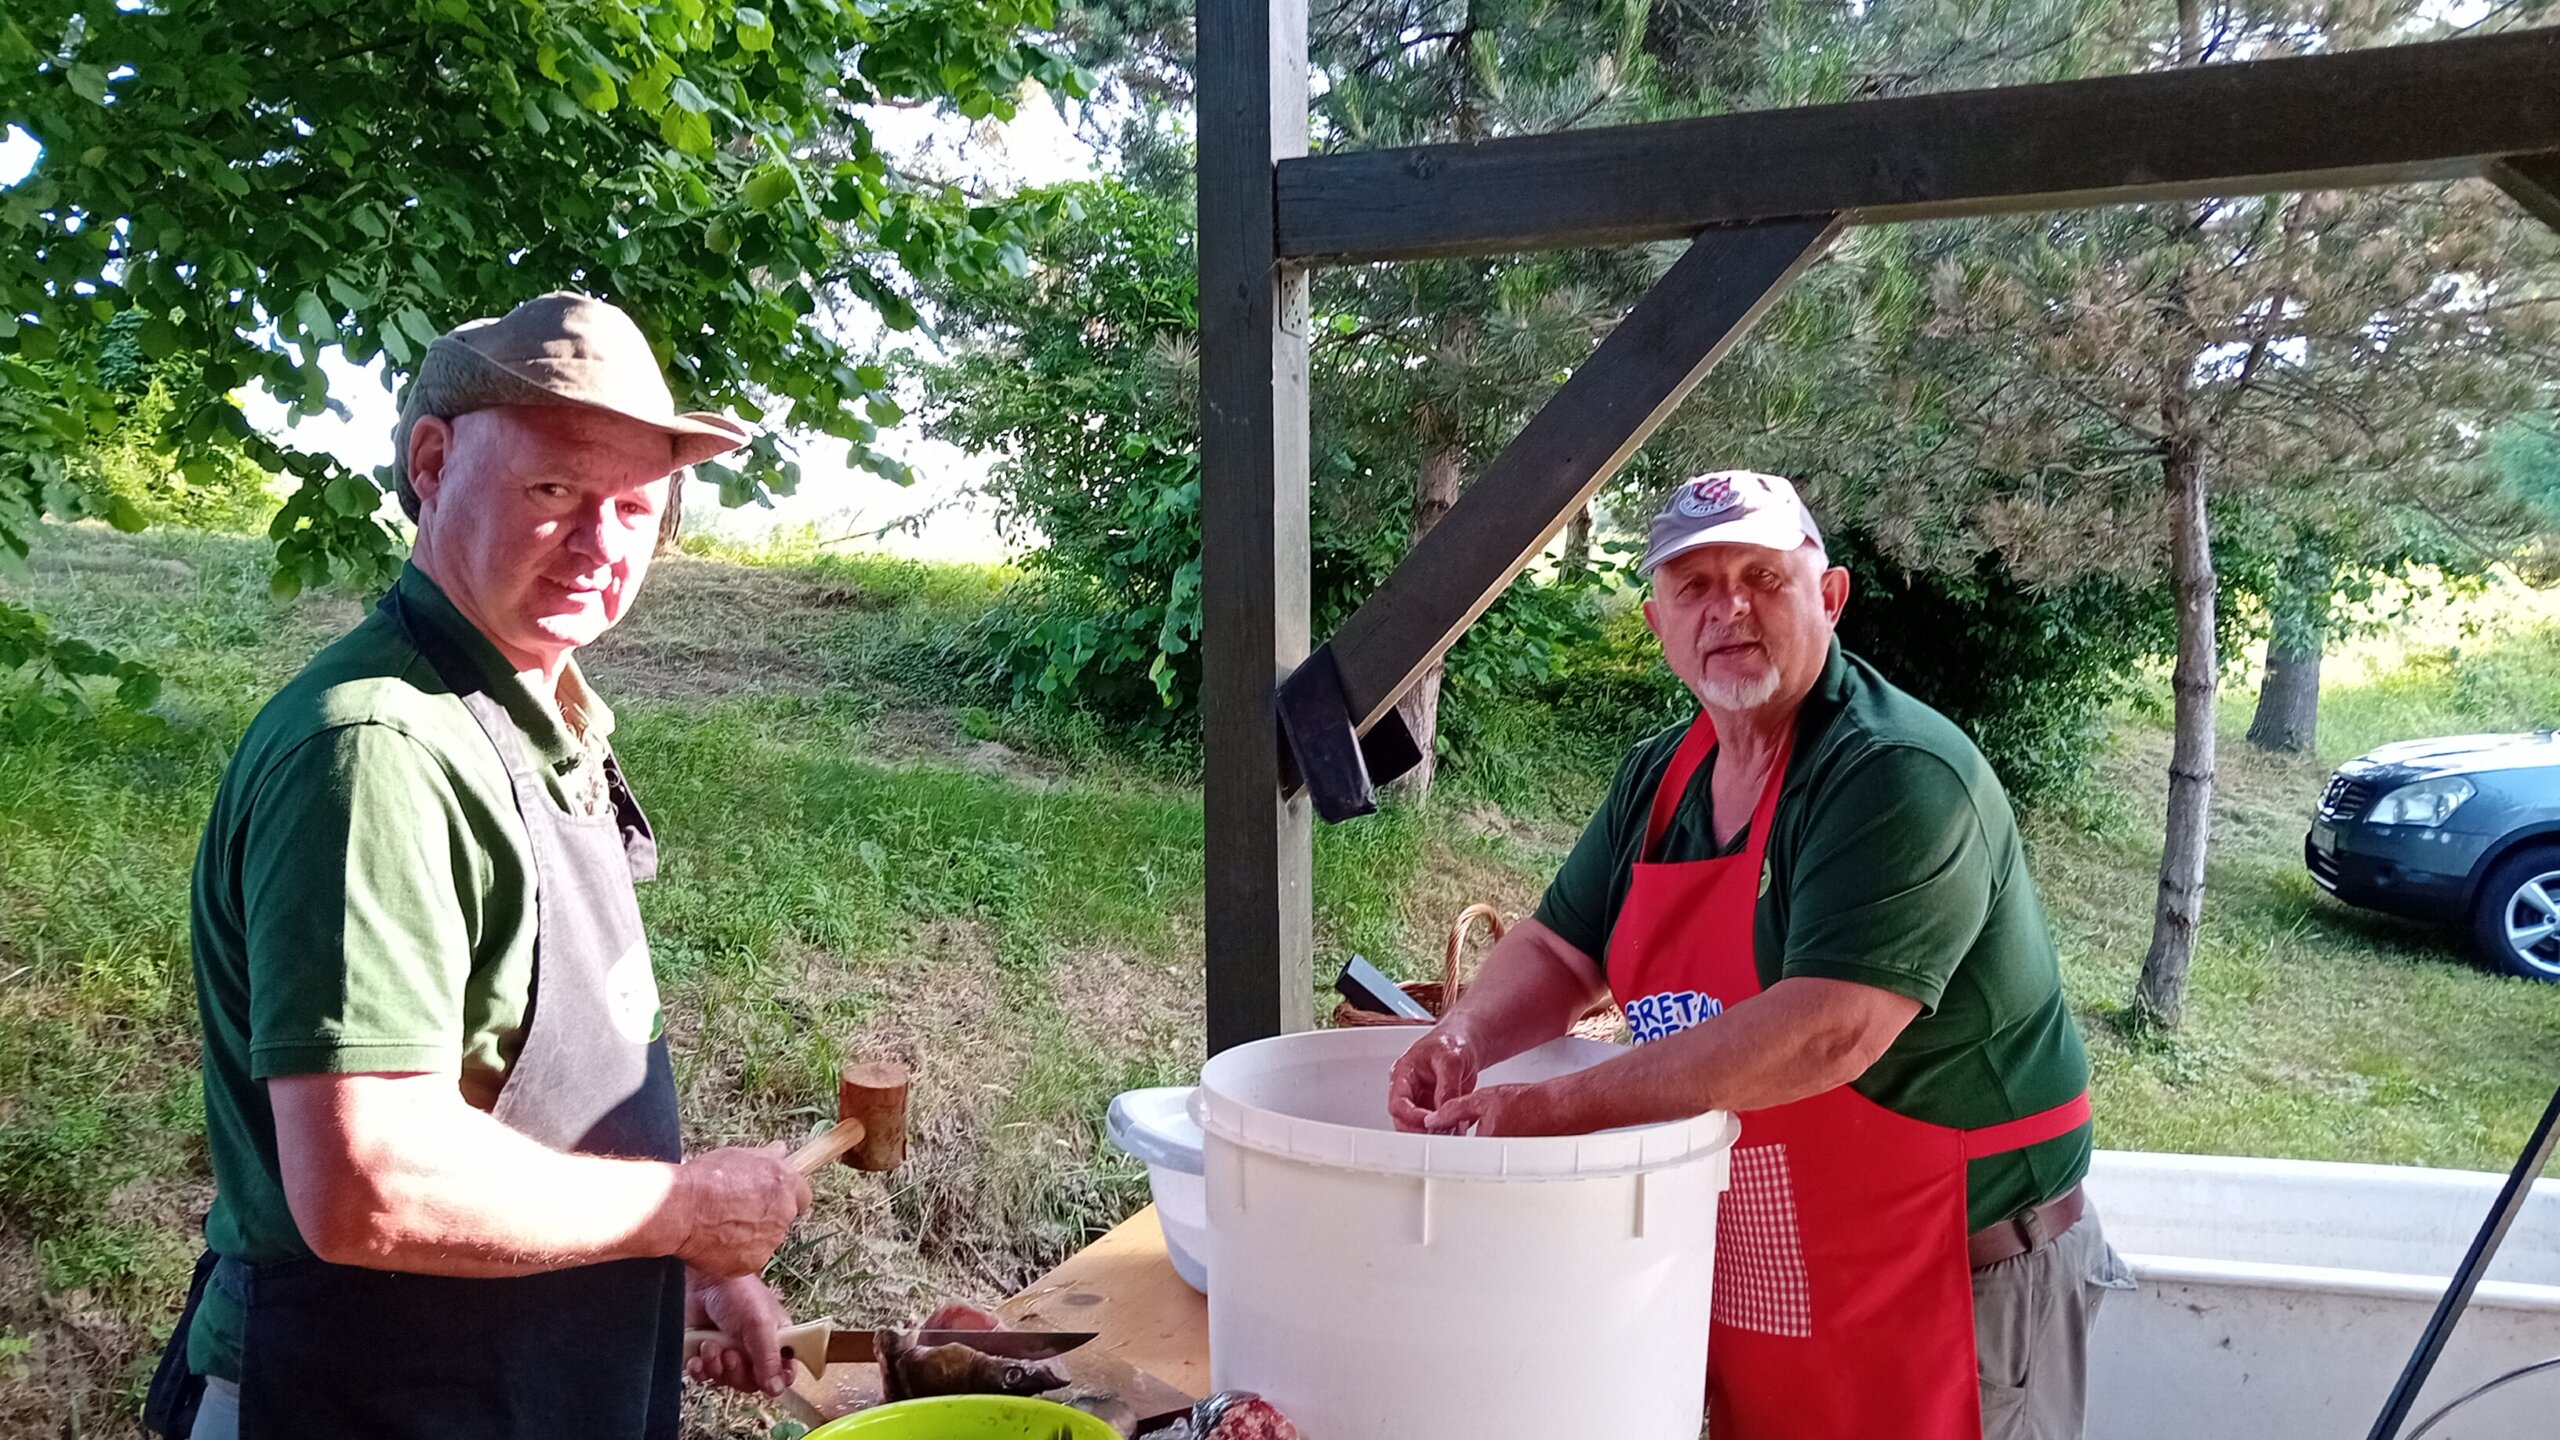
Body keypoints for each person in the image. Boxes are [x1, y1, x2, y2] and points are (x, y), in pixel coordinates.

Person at [148, 294, 812, 1440]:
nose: (602, 542)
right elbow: (374, 1184)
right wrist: (682, 1206)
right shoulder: (377, 750)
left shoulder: (534, 720)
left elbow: (518, 1087)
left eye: (635, 506)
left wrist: (686, 1266)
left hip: (523, 1379)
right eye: (554, 491)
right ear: (434, 461)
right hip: (361, 1398)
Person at [1386, 471, 2133, 1440]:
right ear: (1656, 622)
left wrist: (1548, 1111)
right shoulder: (1662, 777)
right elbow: (1563, 950)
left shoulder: (1892, 773)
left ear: (1827, 599)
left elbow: (1827, 1034)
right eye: (1693, 585)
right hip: (1773, 1279)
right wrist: (1464, 1038)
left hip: (1956, 1288)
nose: (1726, 608)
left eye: (1760, 577)